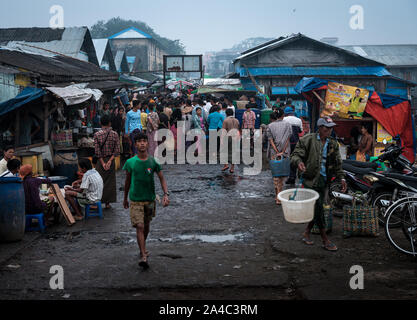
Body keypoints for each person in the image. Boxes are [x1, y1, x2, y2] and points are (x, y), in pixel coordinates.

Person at [291, 117, 347, 252]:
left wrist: (342, 178)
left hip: (323, 180)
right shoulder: (307, 140)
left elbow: (338, 163)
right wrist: (299, 162)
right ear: (320, 128)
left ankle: (306, 233)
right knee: (318, 208)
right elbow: (295, 155)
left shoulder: (333, 144)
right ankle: (325, 239)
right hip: (309, 179)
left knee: (317, 206)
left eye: (331, 128)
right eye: (327, 128)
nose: (329, 131)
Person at [123, 132, 170, 269]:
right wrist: (125, 198)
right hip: (135, 200)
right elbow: (127, 182)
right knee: (140, 226)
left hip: (149, 199)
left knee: (147, 225)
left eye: (144, 141)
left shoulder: (153, 161)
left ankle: (142, 246)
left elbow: (162, 178)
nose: (142, 143)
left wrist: (166, 194)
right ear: (135, 144)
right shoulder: (130, 162)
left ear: (148, 144)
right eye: (139, 141)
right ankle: (143, 255)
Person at [94, 115, 120, 209]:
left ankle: (98, 202)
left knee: (99, 182)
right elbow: (117, 150)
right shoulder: (114, 134)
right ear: (109, 123)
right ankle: (108, 203)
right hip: (111, 160)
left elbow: (97, 151)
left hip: (100, 161)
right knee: (110, 182)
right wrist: (109, 161)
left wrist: (103, 163)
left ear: (100, 123)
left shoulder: (97, 135)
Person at [267, 109, 293, 204]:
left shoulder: (270, 126)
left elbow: (270, 140)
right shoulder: (288, 125)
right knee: (282, 175)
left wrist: (277, 151)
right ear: (283, 115)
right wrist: (282, 151)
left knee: (276, 174)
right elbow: (288, 138)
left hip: (274, 153)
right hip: (285, 152)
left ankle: (277, 195)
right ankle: (278, 196)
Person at [283, 106, 303, 185]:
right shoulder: (298, 120)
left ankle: (289, 176)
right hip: (295, 143)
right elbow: (300, 131)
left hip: (286, 143)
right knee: (294, 159)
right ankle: (293, 176)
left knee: (286, 159)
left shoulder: (284, 120)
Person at [221, 108, 240, 174]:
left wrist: (222, 140)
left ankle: (226, 165)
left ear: (226, 114)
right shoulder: (237, 120)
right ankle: (232, 168)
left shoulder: (226, 120)